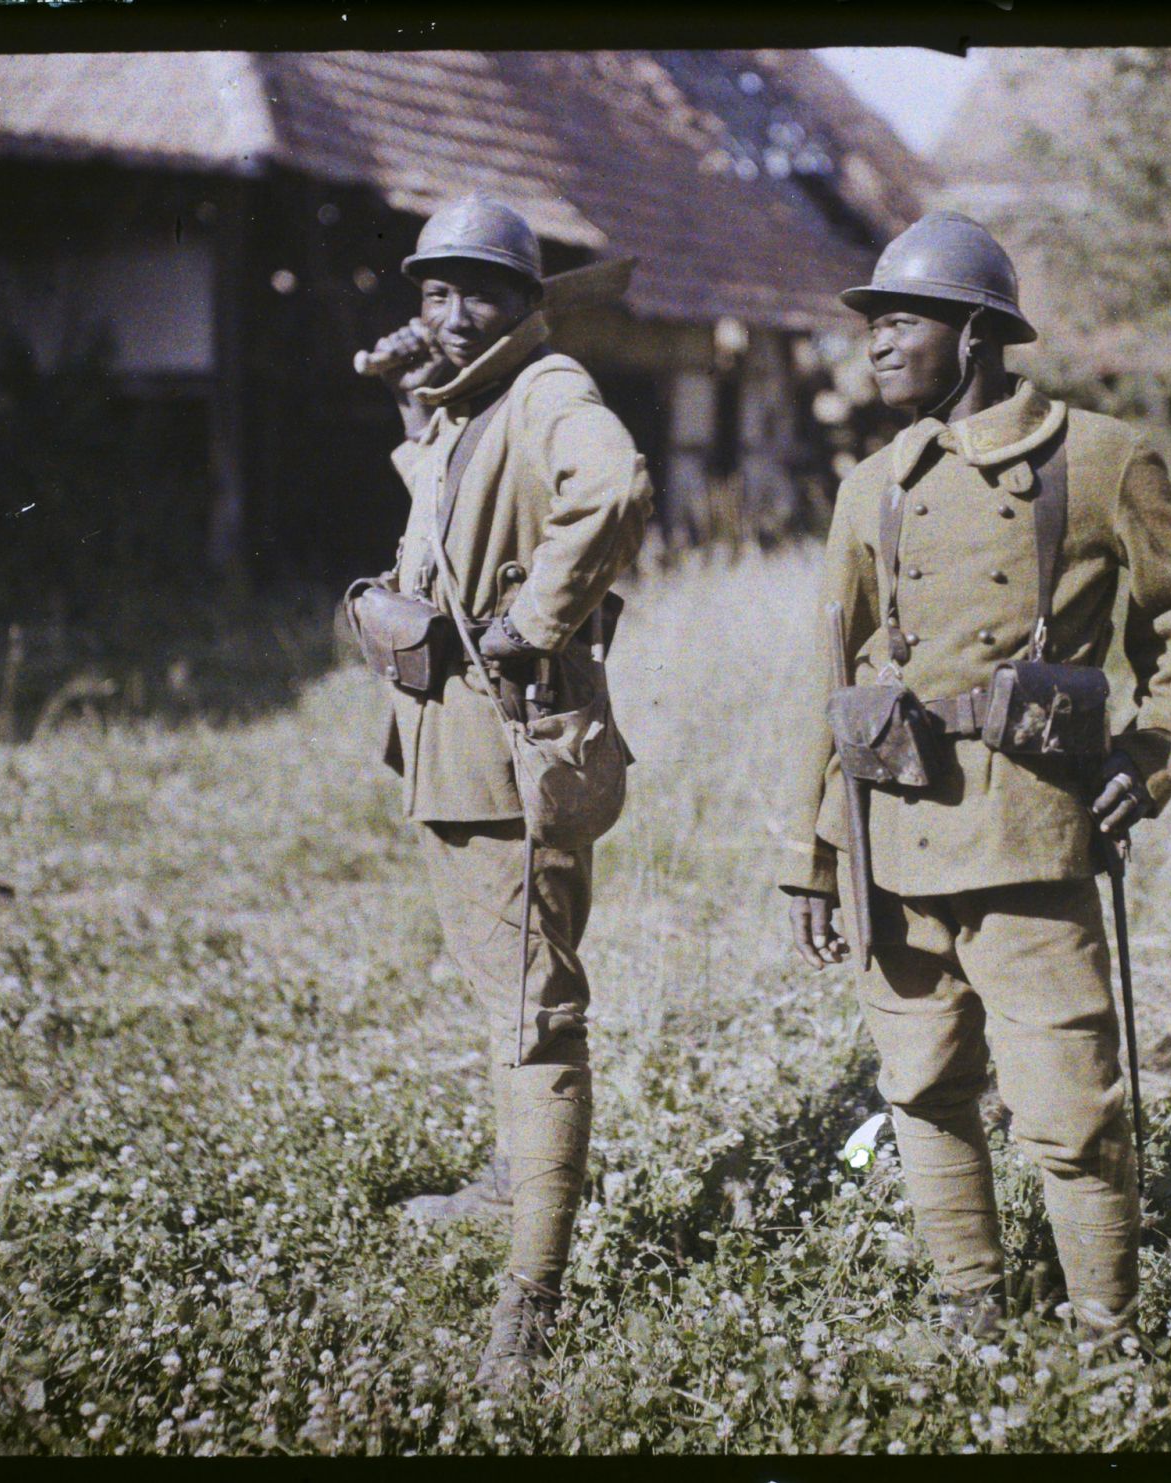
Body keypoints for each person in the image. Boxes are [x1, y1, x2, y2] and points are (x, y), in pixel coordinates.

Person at [776, 210, 1171, 1341]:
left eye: (902, 323)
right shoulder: (869, 486)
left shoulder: (1096, 458)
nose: (876, 345)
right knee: (920, 1089)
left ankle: (1104, 1340)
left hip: (1029, 842)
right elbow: (831, 682)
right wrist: (811, 854)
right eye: (870, 325)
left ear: (976, 333)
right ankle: (971, 1316)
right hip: (891, 845)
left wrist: (1151, 752)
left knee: (1071, 1111)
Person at [368, 194, 653, 1389]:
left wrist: (534, 621)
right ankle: (509, 1185)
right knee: (505, 994)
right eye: (430, 291)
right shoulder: (472, 400)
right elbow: (444, 518)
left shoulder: (545, 392)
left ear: (528, 303)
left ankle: (530, 1302)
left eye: (474, 290)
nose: (446, 313)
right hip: (453, 751)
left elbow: (616, 489)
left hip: (509, 752)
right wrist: (411, 396)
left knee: (535, 1018)